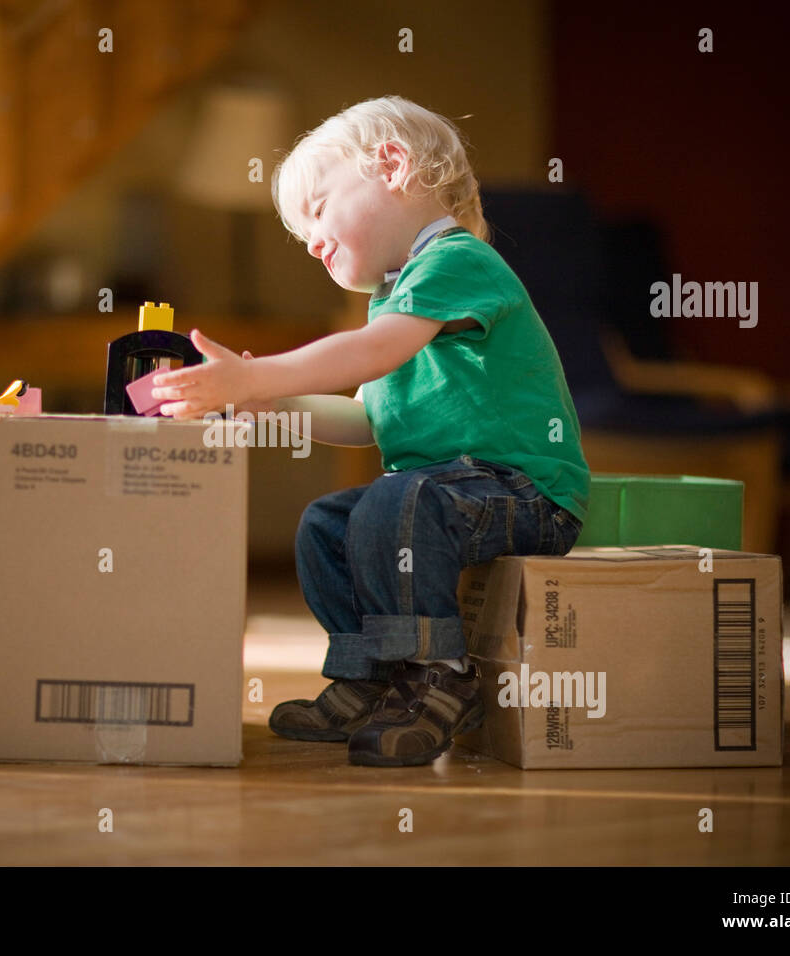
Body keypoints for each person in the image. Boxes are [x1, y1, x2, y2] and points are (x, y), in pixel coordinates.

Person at [151, 95, 590, 766]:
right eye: (304, 241)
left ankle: (439, 677)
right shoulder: (397, 299)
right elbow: (363, 417)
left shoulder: (457, 262)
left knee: (398, 498)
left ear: (390, 165)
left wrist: (257, 375)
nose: (314, 243)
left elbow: (370, 353)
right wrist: (263, 405)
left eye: (319, 212)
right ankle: (370, 675)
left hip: (526, 492)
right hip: (447, 493)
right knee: (326, 522)